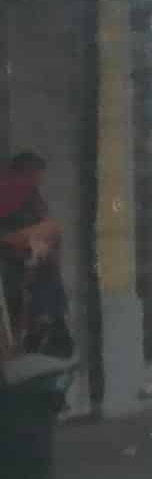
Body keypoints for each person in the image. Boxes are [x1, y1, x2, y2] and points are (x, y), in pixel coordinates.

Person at [0, 151, 71, 358]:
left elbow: (47, 230)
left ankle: (45, 326)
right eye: (34, 177)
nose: (37, 184)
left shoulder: (32, 198)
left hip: (30, 262)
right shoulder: (8, 193)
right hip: (12, 263)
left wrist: (41, 245)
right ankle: (40, 328)